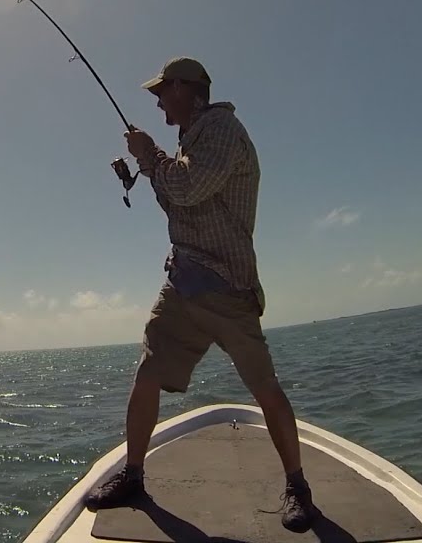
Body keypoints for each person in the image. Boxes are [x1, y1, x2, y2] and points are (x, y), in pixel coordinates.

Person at [83, 56, 317, 533]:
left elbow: (188, 187)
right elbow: (176, 202)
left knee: (264, 387)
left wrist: (149, 156)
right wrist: (150, 165)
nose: (157, 99)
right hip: (184, 280)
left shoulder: (222, 130)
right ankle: (133, 475)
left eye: (162, 90)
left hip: (228, 286)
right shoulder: (188, 141)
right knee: (147, 373)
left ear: (189, 90)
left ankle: (297, 486)